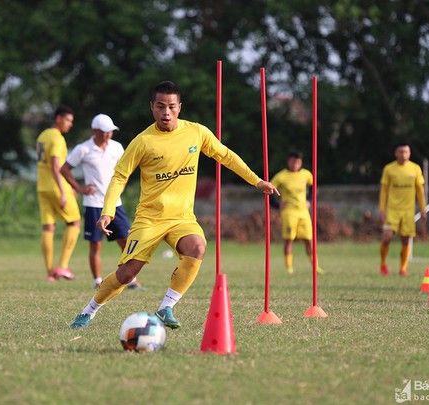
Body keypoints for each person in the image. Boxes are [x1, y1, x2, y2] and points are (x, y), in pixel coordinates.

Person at [70, 80, 279, 330]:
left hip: (182, 217)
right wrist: (108, 211)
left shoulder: (196, 132)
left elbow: (225, 155)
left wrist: (257, 181)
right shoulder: (143, 141)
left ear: (179, 107)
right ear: (152, 108)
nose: (165, 112)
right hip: (150, 218)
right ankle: (89, 311)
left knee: (197, 246)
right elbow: (120, 176)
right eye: (160, 106)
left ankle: (165, 307)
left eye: (171, 106)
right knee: (127, 274)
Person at [60, 113, 144, 290]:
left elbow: (125, 171)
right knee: (96, 244)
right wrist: (80, 188)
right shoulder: (83, 149)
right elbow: (65, 169)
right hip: (93, 204)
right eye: (105, 131)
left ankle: (131, 280)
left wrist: (119, 189)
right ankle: (97, 281)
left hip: (114, 204)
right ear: (95, 131)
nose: (108, 135)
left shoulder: (117, 147)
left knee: (126, 241)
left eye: (111, 131)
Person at [36, 105, 81, 282]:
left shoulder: (43, 136)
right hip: (56, 187)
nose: (70, 124)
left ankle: (50, 273)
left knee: (48, 227)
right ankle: (62, 266)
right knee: (75, 222)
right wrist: (64, 191)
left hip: (42, 187)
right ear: (58, 118)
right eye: (68, 120)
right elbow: (56, 166)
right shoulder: (57, 139)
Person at [270, 151, 323, 274]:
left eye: (298, 162)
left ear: (301, 163)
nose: (295, 164)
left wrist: (309, 200)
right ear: (288, 162)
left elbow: (314, 187)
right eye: (293, 161)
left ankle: (315, 266)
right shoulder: (281, 176)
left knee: (309, 239)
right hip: (289, 212)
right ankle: (289, 267)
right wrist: (277, 205)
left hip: (303, 211)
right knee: (289, 239)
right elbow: (269, 190)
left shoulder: (306, 174)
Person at [378, 141, 427, 276]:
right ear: (396, 153)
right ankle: (383, 264)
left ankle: (403, 268)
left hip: (408, 211)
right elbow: (383, 190)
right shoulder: (389, 169)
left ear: (410, 153)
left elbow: (420, 191)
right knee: (387, 237)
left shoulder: (415, 168)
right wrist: (381, 210)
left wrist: (423, 209)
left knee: (406, 239)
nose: (404, 155)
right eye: (401, 152)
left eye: (406, 152)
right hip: (392, 210)